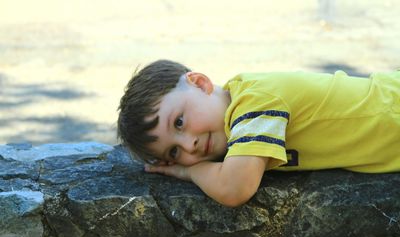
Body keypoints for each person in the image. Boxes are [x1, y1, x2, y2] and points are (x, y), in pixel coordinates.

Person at [117, 60, 400, 207]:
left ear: (200, 83)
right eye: (174, 152)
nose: (189, 144)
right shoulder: (239, 117)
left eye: (179, 122)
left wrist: (188, 172)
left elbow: (234, 189)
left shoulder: (255, 103)